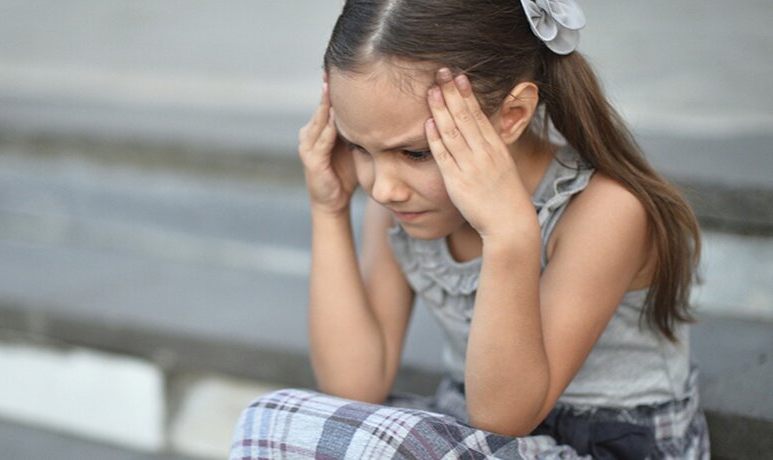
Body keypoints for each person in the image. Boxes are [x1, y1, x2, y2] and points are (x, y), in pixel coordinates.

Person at [231, 0, 709, 458]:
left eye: (416, 153)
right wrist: (329, 210)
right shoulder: (405, 204)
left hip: (602, 445)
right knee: (284, 422)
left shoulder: (606, 210)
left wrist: (508, 235)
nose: (383, 189)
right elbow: (354, 386)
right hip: (471, 431)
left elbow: (503, 418)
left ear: (512, 116)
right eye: (358, 147)